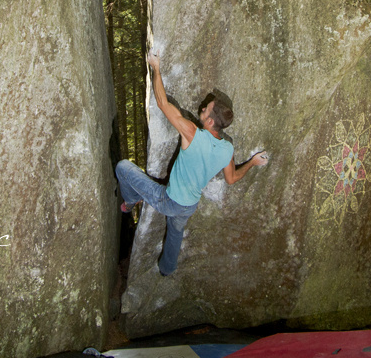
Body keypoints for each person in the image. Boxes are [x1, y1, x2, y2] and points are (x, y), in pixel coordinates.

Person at [115, 50, 270, 275]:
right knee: (175, 233)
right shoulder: (227, 148)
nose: (203, 107)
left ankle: (130, 201)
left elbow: (162, 102)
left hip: (169, 200)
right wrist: (253, 162)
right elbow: (232, 178)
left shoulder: (192, 133)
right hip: (190, 205)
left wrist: (156, 67)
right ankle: (167, 269)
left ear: (209, 120)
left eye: (206, 108)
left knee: (123, 167)